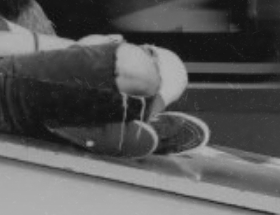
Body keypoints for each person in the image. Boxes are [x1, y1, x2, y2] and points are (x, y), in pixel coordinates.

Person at [0, 17, 209, 159]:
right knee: (136, 69)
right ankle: (116, 123)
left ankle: (116, 123)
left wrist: (88, 47)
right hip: (19, 97)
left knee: (138, 68)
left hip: (22, 101)